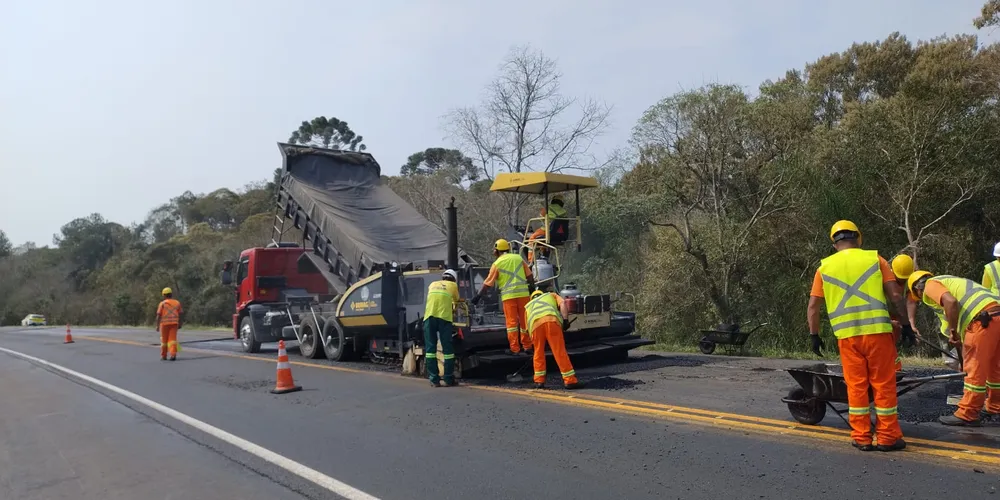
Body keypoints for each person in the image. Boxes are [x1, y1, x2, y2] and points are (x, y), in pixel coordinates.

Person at [807, 220, 914, 452]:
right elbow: (895, 296)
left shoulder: (824, 268)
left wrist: (814, 335)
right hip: (877, 334)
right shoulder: (876, 259)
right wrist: (905, 325)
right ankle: (887, 438)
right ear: (858, 238)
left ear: (834, 243)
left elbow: (813, 306)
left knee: (856, 386)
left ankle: (862, 437)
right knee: (883, 385)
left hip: (847, 337)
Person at [907, 271, 1000, 425]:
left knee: (974, 370)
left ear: (918, 289)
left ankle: (967, 413)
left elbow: (950, 302)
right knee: (994, 369)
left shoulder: (931, 285)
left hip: (982, 322)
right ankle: (995, 406)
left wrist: (953, 330)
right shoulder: (951, 280)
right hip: (996, 316)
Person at [472, 239, 535, 355]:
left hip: (509, 297)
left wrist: (478, 296)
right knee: (525, 321)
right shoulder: (518, 258)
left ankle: (515, 349)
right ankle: (528, 347)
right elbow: (530, 276)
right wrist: (532, 288)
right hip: (523, 295)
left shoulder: (497, 264)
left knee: (512, 324)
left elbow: (487, 284)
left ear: (496, 251)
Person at [525, 288, 582, 390]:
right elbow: (563, 303)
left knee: (538, 353)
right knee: (559, 351)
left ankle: (539, 381)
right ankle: (570, 381)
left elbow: (526, 328)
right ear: (542, 293)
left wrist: (533, 343)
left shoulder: (528, 306)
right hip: (551, 322)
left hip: (535, 327)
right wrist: (565, 320)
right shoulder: (551, 295)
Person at [423, 269, 462, 387]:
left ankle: (434, 380)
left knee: (430, 350)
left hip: (429, 317)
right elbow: (456, 301)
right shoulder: (453, 285)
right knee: (448, 350)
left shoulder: (432, 284)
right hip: (444, 318)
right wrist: (454, 312)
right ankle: (448, 379)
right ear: (454, 279)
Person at [527, 195, 568, 263]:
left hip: (547, 231)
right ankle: (545, 256)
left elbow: (541, 217)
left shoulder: (547, 208)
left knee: (532, 238)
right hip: (560, 234)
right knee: (545, 241)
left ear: (553, 201)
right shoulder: (564, 212)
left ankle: (530, 260)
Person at [156, 287, 183, 361]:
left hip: (164, 324)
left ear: (164, 295)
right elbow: (180, 314)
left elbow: (158, 315)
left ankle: (164, 356)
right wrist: (180, 323)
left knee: (164, 341)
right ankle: (173, 355)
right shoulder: (177, 302)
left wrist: (157, 326)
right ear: (171, 294)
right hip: (174, 324)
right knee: (172, 340)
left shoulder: (162, 304)